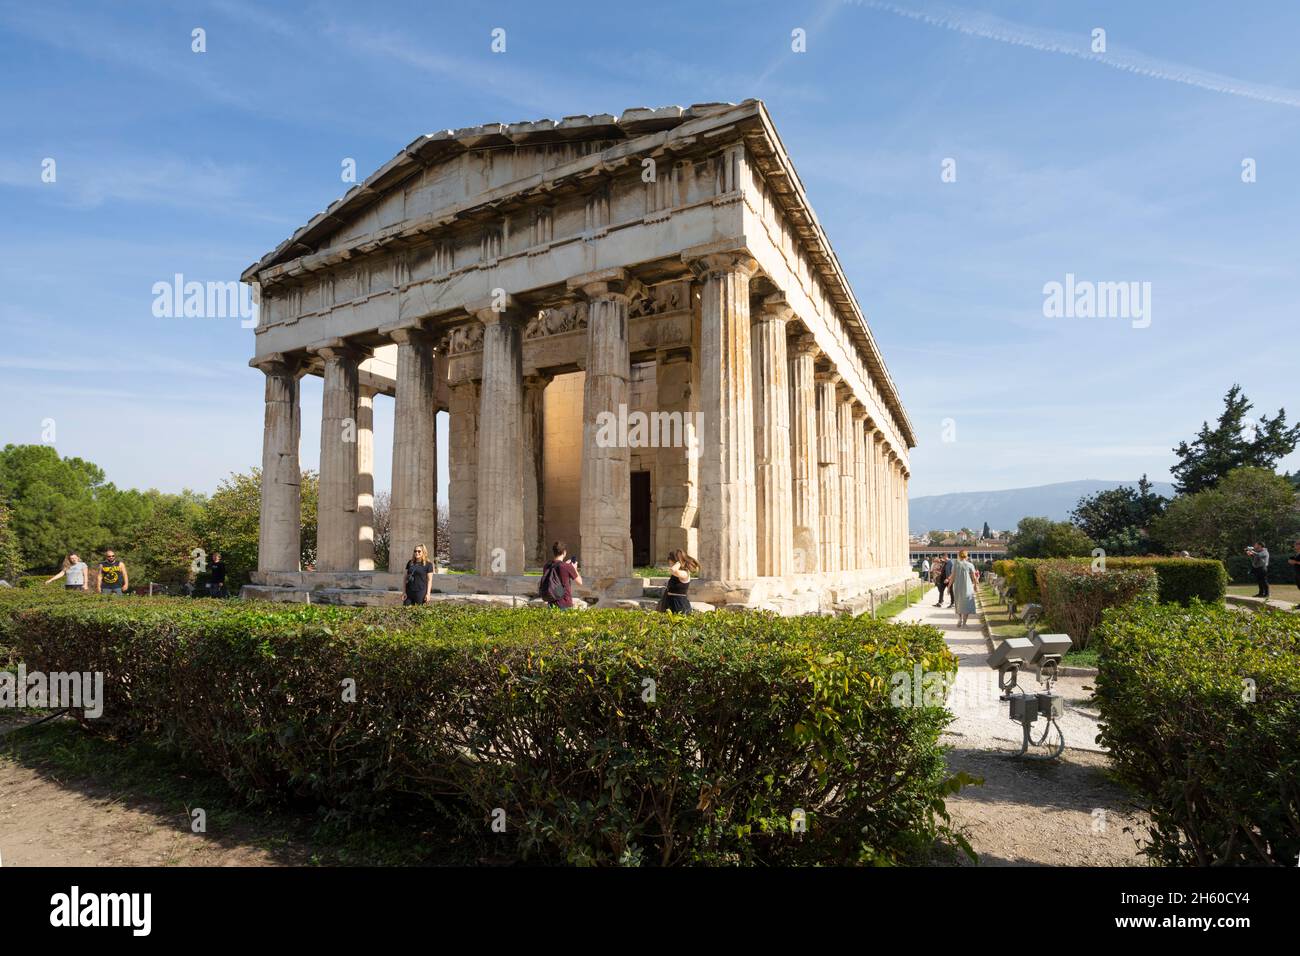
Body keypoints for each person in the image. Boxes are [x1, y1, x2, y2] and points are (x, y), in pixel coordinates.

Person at [540, 542, 582, 609]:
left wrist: (566, 565)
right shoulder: (567, 567)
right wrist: (574, 569)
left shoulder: (547, 566)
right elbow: (580, 582)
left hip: (551, 600)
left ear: (554, 552)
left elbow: (555, 574)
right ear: (564, 552)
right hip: (564, 602)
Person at [660, 549, 699, 614]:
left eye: (670, 560)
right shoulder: (677, 573)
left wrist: (679, 562)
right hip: (670, 601)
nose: (669, 562)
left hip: (678, 604)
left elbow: (673, 570)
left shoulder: (684, 573)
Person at [947, 549, 978, 628]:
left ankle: (960, 618)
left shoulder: (955, 564)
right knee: (967, 604)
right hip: (967, 587)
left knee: (959, 603)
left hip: (957, 586)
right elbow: (974, 577)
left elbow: (952, 577)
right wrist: (975, 586)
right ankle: (964, 623)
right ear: (966, 556)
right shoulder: (970, 565)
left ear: (959, 555)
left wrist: (949, 586)